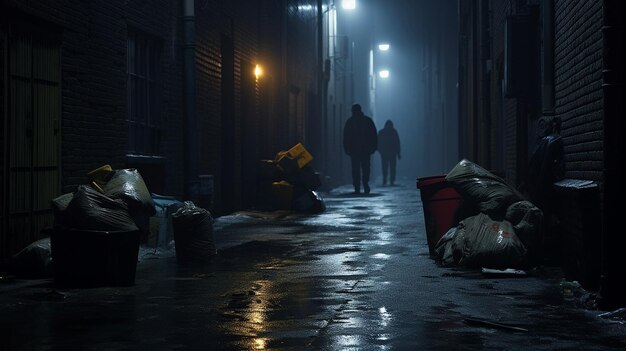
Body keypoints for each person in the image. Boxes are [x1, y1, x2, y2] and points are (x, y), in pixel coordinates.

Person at [343, 103, 378, 194]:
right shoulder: (366, 121)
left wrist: (346, 147)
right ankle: (361, 185)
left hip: (360, 149)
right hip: (360, 149)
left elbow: (346, 136)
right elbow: (374, 135)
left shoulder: (351, 122)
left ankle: (360, 185)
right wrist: (373, 146)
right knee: (362, 168)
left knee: (359, 168)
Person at [377, 119, 401, 186]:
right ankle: (391, 180)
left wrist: (379, 150)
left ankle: (385, 179)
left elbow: (377, 142)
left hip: (384, 153)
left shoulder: (381, 132)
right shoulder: (394, 132)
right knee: (392, 167)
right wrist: (398, 153)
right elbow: (397, 143)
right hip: (392, 153)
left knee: (385, 167)